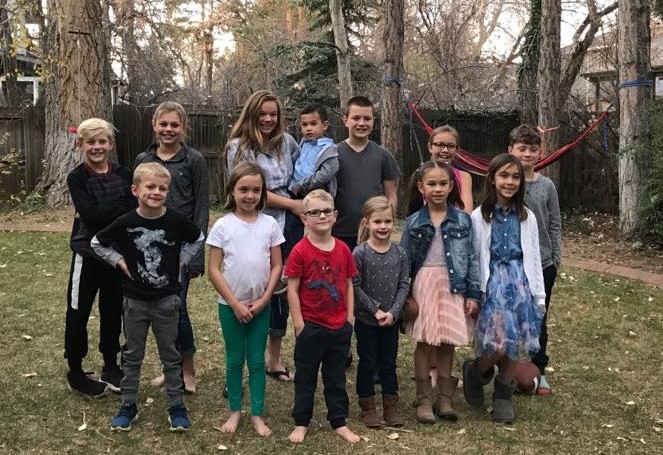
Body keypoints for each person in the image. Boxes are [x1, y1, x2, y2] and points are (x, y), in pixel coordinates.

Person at [92, 162, 204, 432]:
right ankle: (128, 405)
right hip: (135, 302)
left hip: (167, 301)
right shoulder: (127, 222)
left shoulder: (175, 220)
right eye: (150, 187)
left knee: (171, 356)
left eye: (162, 188)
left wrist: (181, 262)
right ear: (135, 190)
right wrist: (119, 261)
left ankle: (176, 406)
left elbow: (198, 238)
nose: (156, 192)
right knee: (132, 355)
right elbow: (97, 242)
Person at [464, 153, 546, 424]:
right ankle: (476, 371)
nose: (510, 182)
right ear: (492, 179)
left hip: (520, 285)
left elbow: (533, 256)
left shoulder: (527, 217)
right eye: (504, 176)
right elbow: (474, 257)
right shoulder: (479, 216)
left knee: (515, 342)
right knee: (499, 344)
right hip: (493, 286)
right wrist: (474, 292)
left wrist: (539, 295)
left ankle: (503, 396)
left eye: (515, 177)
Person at [225, 90, 300, 382]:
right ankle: (239, 364)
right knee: (251, 288)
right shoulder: (238, 147)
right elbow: (250, 190)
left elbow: (300, 176)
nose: (268, 119)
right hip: (254, 223)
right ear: (251, 115)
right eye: (262, 114)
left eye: (273, 114)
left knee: (280, 290)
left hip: (288, 227)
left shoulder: (288, 143)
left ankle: (274, 359)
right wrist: (292, 204)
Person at [135, 101, 209, 394]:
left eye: (174, 125)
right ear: (154, 125)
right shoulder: (143, 159)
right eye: (163, 124)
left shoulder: (194, 160)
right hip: (151, 249)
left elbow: (201, 208)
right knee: (158, 312)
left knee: (178, 309)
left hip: (181, 250)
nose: (168, 129)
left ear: (183, 128)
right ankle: (170, 368)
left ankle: (188, 370)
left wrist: (196, 256)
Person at [206, 161, 284, 437]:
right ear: (232, 191)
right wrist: (235, 304)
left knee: (257, 360)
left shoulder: (270, 224)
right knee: (235, 359)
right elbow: (213, 270)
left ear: (263, 192)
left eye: (256, 190)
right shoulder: (222, 226)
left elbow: (277, 264)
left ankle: (257, 414)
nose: (250, 195)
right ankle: (235, 411)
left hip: (261, 306)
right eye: (243, 189)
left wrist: (264, 299)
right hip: (231, 307)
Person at [400, 160, 481, 423]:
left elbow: (472, 258)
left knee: (447, 342)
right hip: (424, 285)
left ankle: (445, 398)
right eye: (432, 184)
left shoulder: (463, 220)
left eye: (443, 183)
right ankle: (424, 398)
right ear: (421, 187)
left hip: (452, 285)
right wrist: (405, 295)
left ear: (451, 187)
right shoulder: (413, 222)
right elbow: (404, 261)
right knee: (425, 342)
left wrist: (473, 293)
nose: (437, 189)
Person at [64, 117, 135, 397]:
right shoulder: (77, 178)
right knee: (78, 310)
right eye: (90, 142)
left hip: (116, 256)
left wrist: (110, 211)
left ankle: (110, 365)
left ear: (110, 144)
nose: (97, 147)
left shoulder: (124, 174)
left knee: (112, 310)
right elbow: (91, 217)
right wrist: (119, 207)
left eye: (102, 141)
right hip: (87, 253)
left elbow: (132, 208)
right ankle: (76, 371)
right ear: (80, 145)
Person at [285, 189, 361, 444]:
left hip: (339, 326)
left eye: (327, 211)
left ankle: (339, 421)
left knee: (336, 378)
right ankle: (301, 422)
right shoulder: (299, 251)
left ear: (335, 215)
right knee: (305, 377)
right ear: (304, 218)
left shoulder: (343, 249)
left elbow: (349, 284)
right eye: (315, 212)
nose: (322, 216)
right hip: (311, 327)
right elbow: (292, 290)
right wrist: (299, 325)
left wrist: (349, 319)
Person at [507, 125, 561, 395]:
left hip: (542, 264)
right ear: (511, 150)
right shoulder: (506, 183)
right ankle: (508, 368)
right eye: (522, 148)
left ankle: (538, 369)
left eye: (532, 149)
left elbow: (554, 224)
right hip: (512, 263)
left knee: (537, 318)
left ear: (541, 152)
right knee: (511, 317)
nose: (527, 154)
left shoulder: (547, 186)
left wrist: (556, 259)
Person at [352, 196, 409, 428]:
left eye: (387, 221)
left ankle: (390, 406)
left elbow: (403, 285)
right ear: (367, 223)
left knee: (389, 363)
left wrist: (393, 312)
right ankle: (367, 407)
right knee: (367, 362)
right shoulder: (360, 253)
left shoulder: (400, 254)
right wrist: (375, 310)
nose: (383, 226)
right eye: (378, 222)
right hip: (366, 320)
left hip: (390, 322)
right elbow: (355, 286)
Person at [272, 103, 339, 295]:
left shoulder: (329, 148)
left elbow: (328, 172)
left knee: (315, 231)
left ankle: (312, 270)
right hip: (295, 193)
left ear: (324, 125)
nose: (308, 128)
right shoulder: (302, 144)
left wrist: (303, 184)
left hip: (315, 194)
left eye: (313, 124)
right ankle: (288, 266)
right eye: (304, 124)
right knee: (289, 228)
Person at [333, 96, 400, 252]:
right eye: (356, 118)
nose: (362, 123)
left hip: (372, 233)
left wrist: (386, 222)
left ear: (373, 121)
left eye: (367, 118)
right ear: (345, 120)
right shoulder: (333, 154)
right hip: (339, 232)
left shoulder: (383, 155)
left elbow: (391, 194)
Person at [427, 125, 473, 213]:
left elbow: (466, 212)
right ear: (430, 147)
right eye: (439, 145)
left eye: (451, 146)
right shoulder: (420, 175)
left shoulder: (464, 177)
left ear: (457, 150)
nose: (445, 150)